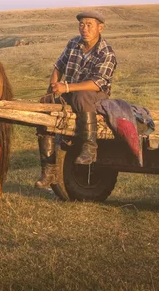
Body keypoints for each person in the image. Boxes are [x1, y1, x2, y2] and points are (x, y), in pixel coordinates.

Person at [35, 10, 117, 189]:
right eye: (82, 24)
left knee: (82, 95)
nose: (84, 29)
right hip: (71, 94)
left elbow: (98, 83)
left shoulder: (106, 52)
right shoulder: (73, 43)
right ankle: (48, 171)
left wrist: (67, 87)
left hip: (95, 97)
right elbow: (58, 66)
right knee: (45, 104)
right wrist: (52, 88)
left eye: (89, 25)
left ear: (100, 28)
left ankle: (89, 147)